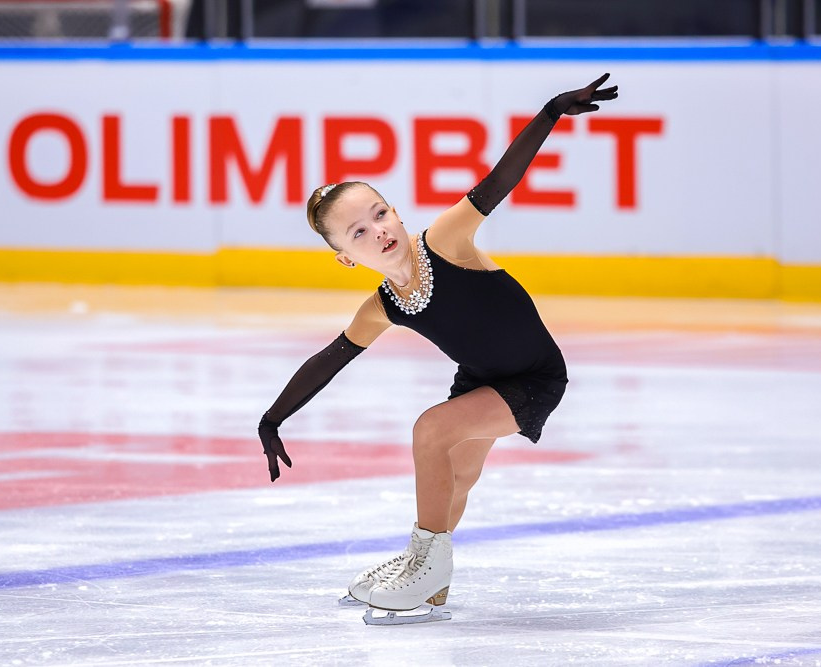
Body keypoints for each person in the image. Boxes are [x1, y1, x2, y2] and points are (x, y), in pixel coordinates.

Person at [258, 74, 618, 624]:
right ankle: (429, 586)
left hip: (537, 377)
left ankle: (425, 563)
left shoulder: (445, 242)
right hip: (480, 379)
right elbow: (330, 358)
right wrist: (273, 418)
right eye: (357, 233)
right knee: (456, 471)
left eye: (379, 214)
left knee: (431, 429)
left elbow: (497, 183)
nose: (377, 231)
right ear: (345, 258)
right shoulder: (384, 306)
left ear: (395, 212)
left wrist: (548, 114)